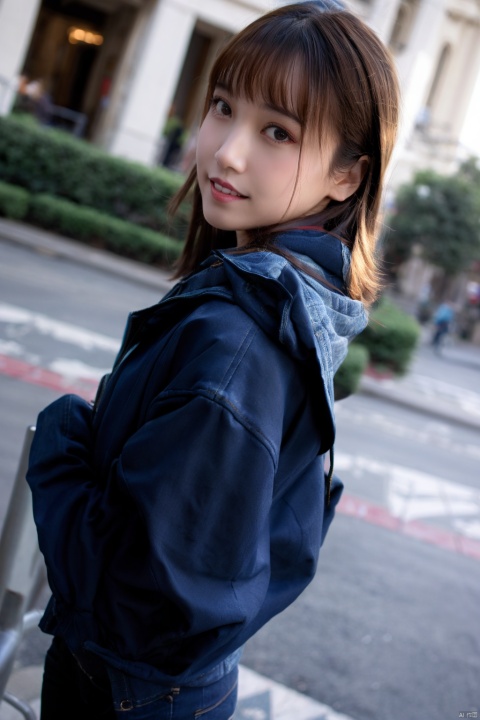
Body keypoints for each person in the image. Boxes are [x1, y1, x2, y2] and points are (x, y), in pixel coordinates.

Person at [26, 2, 399, 718]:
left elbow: (138, 604)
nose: (226, 152)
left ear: (347, 177)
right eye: (223, 107)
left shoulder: (237, 343)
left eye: (277, 132)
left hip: (122, 694)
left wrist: (62, 442)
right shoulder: (289, 302)